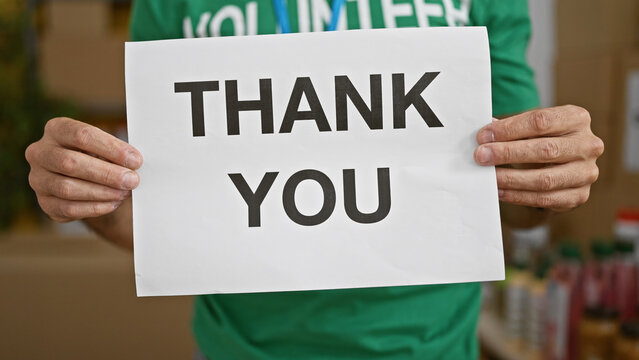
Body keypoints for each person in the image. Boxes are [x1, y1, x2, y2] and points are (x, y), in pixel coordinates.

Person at [25, 0, 604, 358]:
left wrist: (554, 174)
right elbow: (160, 221)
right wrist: (85, 191)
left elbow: (515, 199)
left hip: (428, 349)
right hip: (240, 352)